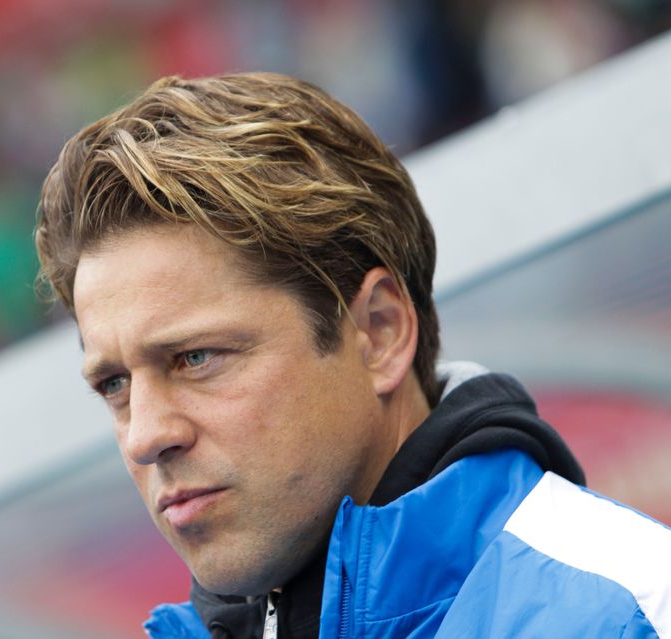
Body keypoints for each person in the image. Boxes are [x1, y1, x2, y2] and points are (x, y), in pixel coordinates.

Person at [34, 72, 671, 638]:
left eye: (196, 358)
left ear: (380, 332)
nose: (145, 437)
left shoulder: (631, 614)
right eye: (114, 384)